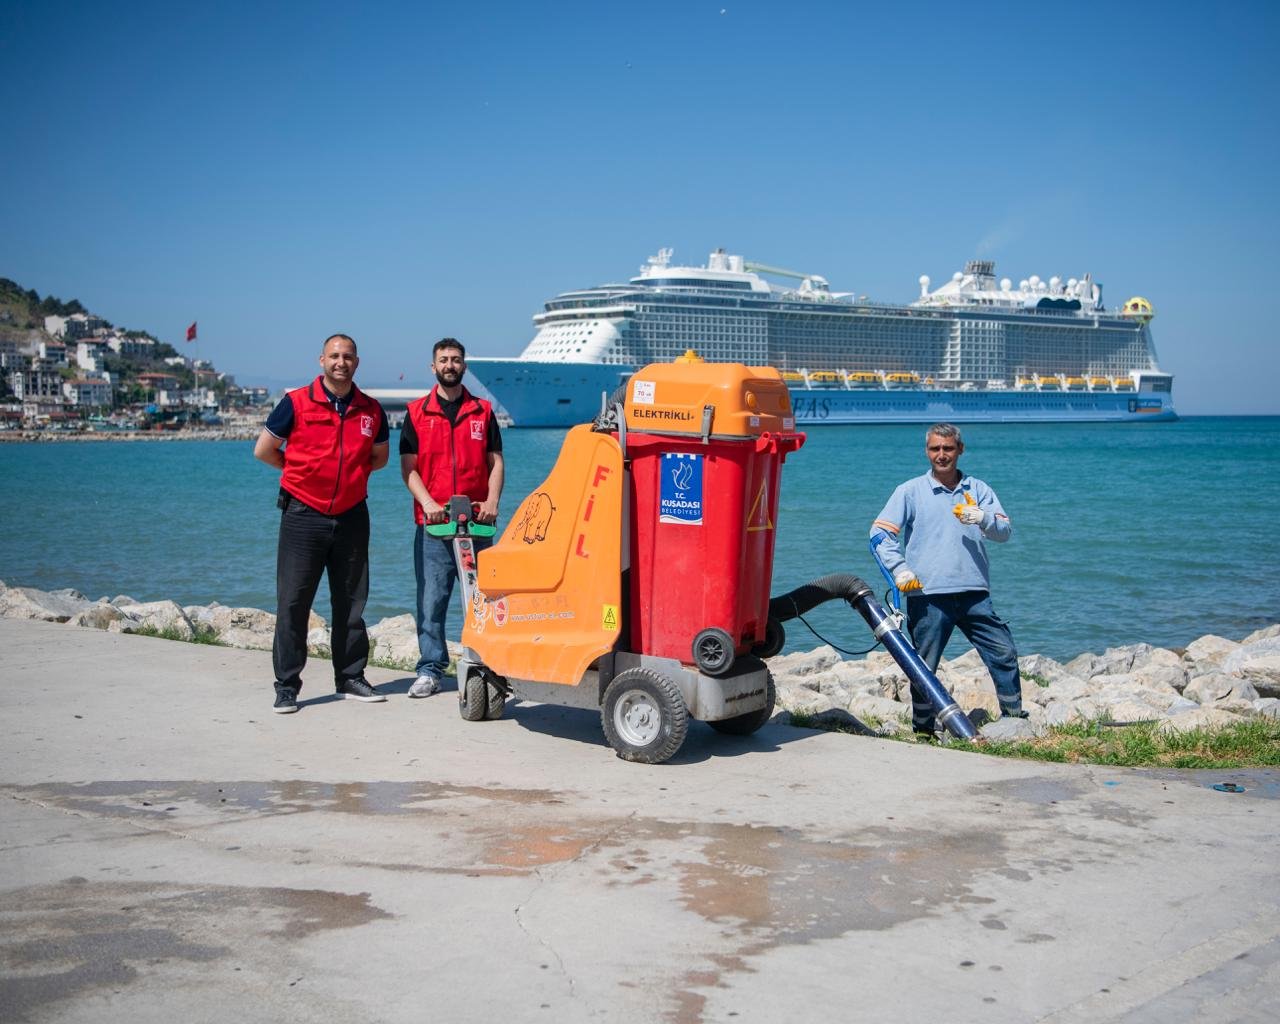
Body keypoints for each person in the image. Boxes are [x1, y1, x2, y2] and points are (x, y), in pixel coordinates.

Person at [253, 334, 390, 714]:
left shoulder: (371, 410)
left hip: (352, 514)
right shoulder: (295, 403)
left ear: (356, 362)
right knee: (293, 602)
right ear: (321, 360)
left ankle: (350, 677)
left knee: (351, 603)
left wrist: (349, 478)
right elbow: (263, 450)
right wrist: (300, 473)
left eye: (347, 357)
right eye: (334, 356)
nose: (340, 362)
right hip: (303, 515)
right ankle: (287, 686)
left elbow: (379, 458)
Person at [870, 422, 1025, 737]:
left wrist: (983, 518)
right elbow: (879, 533)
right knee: (923, 667)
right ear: (927, 451)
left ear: (960, 450)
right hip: (928, 595)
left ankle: (1015, 720)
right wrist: (899, 568)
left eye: (948, 448)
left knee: (1003, 652)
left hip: (974, 593)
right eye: (935, 449)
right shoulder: (910, 491)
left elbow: (1005, 532)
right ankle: (924, 731)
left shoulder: (978, 490)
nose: (941, 455)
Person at [400, 338, 504, 697]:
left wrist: (491, 500)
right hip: (433, 524)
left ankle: (487, 663)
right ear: (433, 367)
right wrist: (428, 502)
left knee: (483, 598)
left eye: (456, 360)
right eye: (443, 360)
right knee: (432, 599)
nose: (450, 365)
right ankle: (430, 669)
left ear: (464, 366)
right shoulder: (415, 413)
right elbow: (408, 469)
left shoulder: (483, 411)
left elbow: (496, 462)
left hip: (477, 522)